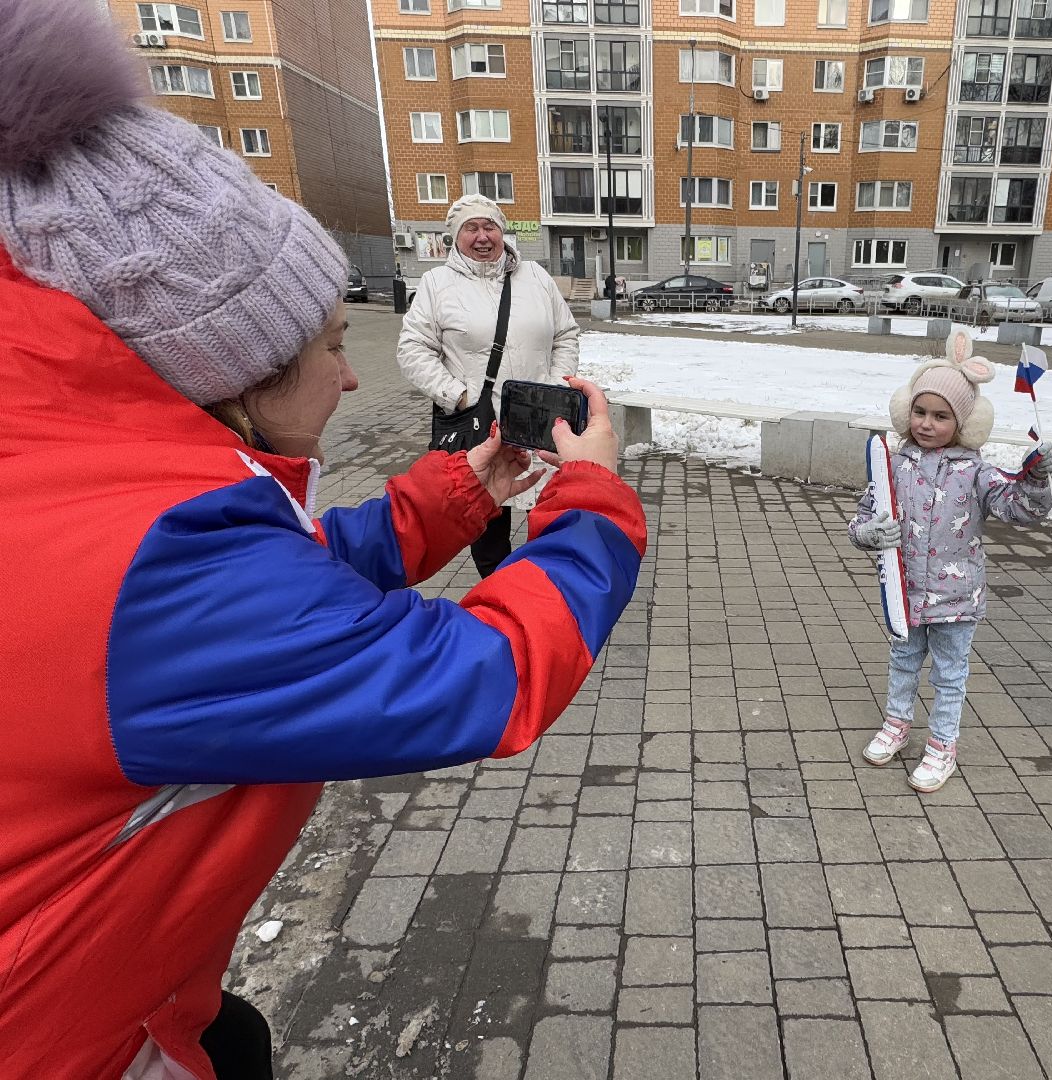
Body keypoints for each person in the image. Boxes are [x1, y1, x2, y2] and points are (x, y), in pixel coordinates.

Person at [0, 3, 645, 1077]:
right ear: (234, 368)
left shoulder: (90, 486)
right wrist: (594, 502)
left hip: (126, 988)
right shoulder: (159, 569)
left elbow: (281, 585)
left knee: (236, 1036)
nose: (352, 377)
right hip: (65, 1044)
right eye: (335, 346)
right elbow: (480, 675)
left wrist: (457, 493)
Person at [848, 329, 1052, 793]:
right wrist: (868, 533)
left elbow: (1020, 509)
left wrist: (1036, 480)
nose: (926, 424)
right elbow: (864, 515)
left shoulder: (976, 472)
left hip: (957, 599)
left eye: (941, 416)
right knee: (903, 662)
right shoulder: (894, 465)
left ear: (962, 422)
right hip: (906, 595)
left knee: (949, 674)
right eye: (920, 412)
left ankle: (943, 745)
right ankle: (897, 723)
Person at [397, 194, 581, 577]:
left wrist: (556, 387)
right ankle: (498, 591)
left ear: (502, 232)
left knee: (549, 510)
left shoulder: (535, 276)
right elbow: (412, 350)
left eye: (489, 226)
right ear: (455, 237)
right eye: (471, 228)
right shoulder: (437, 284)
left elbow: (565, 334)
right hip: (482, 423)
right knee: (486, 518)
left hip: (540, 422)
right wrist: (458, 396)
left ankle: (546, 586)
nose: (482, 236)